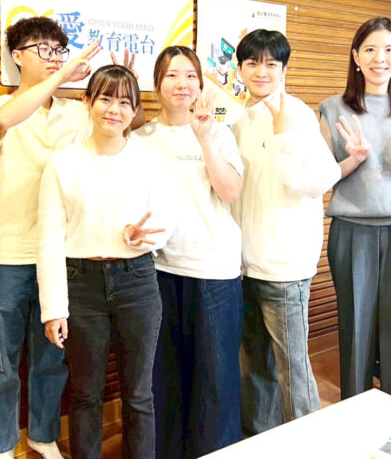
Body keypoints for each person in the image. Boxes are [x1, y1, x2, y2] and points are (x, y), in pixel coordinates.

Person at [0, 17, 139, 459]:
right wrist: (63, 74)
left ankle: (43, 436)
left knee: (52, 357)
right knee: (1, 360)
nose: (53, 57)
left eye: (58, 50)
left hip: (63, 255)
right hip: (5, 254)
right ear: (17, 56)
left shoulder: (76, 113)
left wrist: (125, 84)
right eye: (42, 49)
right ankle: (2, 447)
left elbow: (118, 133)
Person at [37, 64, 174, 459]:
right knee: (85, 393)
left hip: (137, 281)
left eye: (125, 102)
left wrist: (141, 236)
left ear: (134, 111)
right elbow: (49, 238)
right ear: (87, 101)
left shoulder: (150, 160)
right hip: (81, 285)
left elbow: (166, 220)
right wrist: (53, 309)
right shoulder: (62, 163)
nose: (115, 109)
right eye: (106, 99)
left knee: (139, 393)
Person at [319, 17, 391, 408]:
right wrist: (352, 160)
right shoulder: (333, 109)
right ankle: (356, 425)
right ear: (356, 57)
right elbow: (323, 177)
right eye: (370, 49)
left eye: (388, 49)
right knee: (355, 335)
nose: (379, 58)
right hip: (353, 233)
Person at [134, 47, 244, 458]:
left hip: (213, 269)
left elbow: (230, 192)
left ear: (201, 84)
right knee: (165, 378)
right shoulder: (140, 138)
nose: (182, 84)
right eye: (171, 75)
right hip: (159, 270)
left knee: (215, 380)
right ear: (157, 84)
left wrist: (204, 138)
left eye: (190, 76)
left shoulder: (219, 133)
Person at [231, 29, 340, 436]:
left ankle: (307, 444)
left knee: (292, 368)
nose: (261, 72)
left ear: (284, 69)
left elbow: (316, 181)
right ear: (240, 69)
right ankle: (260, 439)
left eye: (271, 64)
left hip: (284, 267)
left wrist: (284, 134)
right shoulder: (240, 119)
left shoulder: (296, 114)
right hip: (244, 264)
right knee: (254, 366)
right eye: (252, 63)